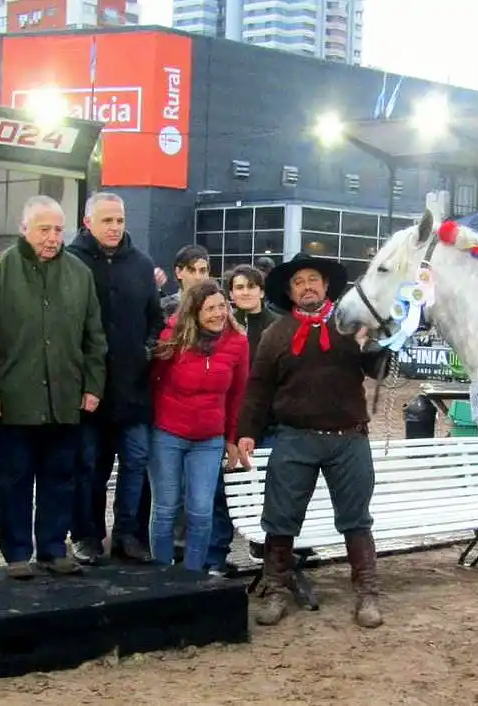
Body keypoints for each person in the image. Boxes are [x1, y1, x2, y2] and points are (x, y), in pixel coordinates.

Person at [235, 253, 389, 629]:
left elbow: (378, 368)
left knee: (357, 520)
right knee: (280, 519)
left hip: (348, 438)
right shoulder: (276, 334)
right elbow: (258, 389)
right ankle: (275, 591)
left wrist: (380, 341)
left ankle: (367, 593)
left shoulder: (351, 325)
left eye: (313, 279)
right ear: (290, 291)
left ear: (325, 285)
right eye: (299, 281)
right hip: (294, 438)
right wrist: (246, 432)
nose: (307, 286)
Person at [0, 195, 107, 579]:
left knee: (60, 478)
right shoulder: (0, 272)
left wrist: (93, 385)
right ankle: (16, 555)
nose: (52, 237)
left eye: (58, 229)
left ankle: (51, 548)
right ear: (24, 229)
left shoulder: (80, 274)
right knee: (13, 481)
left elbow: (94, 337)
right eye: (44, 229)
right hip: (14, 401)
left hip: (65, 399)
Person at [64, 192, 163, 566]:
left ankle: (128, 535)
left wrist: (148, 348)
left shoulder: (141, 264)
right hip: (87, 391)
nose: (115, 227)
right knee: (89, 465)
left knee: (136, 462)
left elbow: (155, 317)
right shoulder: (71, 262)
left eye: (119, 220)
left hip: (133, 390)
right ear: (88, 222)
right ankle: (87, 535)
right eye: (107, 220)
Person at [148, 280, 249, 571]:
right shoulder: (173, 338)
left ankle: (193, 577)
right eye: (210, 309)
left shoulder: (237, 342)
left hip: (209, 439)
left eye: (222, 306)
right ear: (194, 312)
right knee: (166, 508)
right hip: (168, 433)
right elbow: (152, 382)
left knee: (201, 511)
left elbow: (238, 394)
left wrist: (231, 437)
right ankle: (162, 574)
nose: (218, 313)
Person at [208, 265, 281, 573]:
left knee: (267, 488)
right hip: (230, 422)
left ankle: (264, 546)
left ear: (262, 291)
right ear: (231, 293)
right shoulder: (222, 326)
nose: (246, 292)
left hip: (269, 422)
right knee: (224, 491)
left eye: (251, 286)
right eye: (239, 287)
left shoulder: (278, 326)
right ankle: (216, 555)